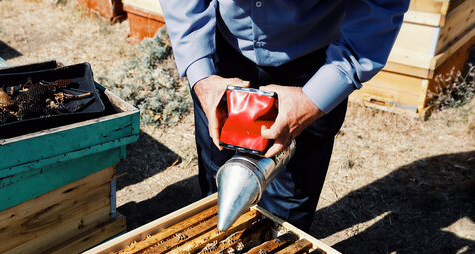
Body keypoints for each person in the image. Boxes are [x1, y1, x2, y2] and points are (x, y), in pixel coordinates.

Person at [159, 0, 409, 231]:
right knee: (219, 179)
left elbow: (381, 7)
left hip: (312, 69)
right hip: (223, 61)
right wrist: (201, 75)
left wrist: (314, 99)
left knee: (289, 201)